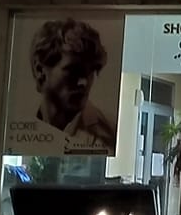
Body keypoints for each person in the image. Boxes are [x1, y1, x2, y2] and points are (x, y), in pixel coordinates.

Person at [29, 18, 116, 151]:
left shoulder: (108, 134)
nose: (84, 82)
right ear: (40, 70)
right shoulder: (20, 124)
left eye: (90, 72)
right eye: (73, 71)